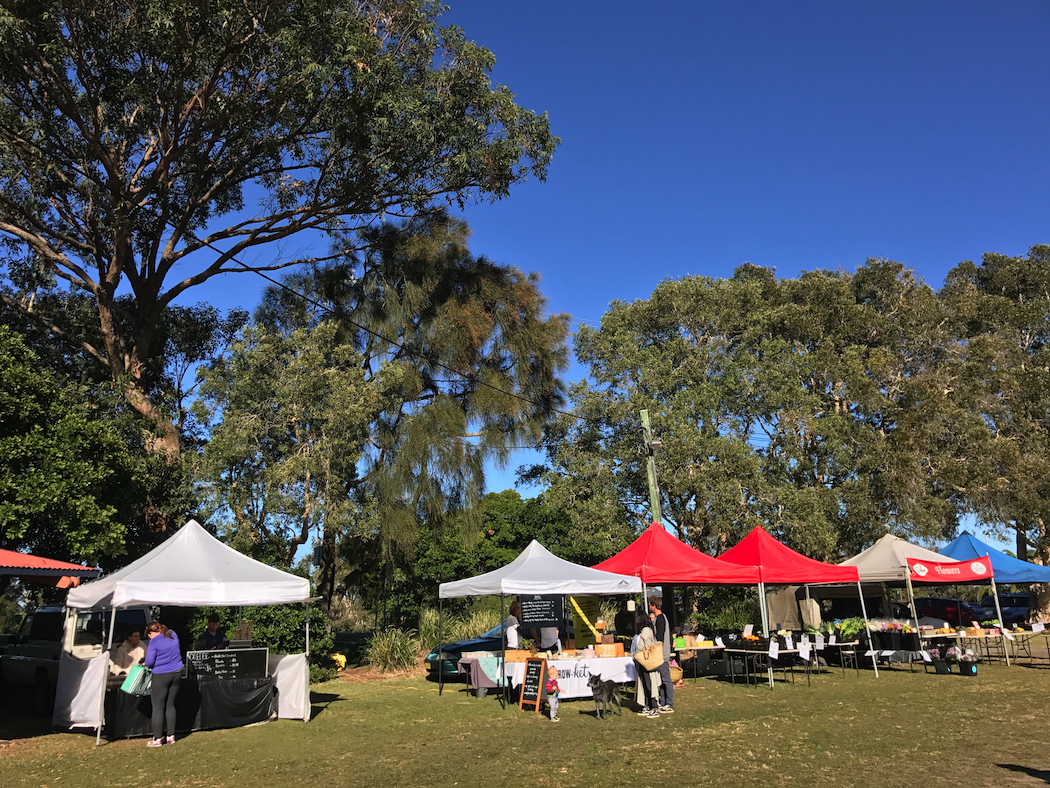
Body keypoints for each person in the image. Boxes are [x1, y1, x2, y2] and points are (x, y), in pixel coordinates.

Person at [144, 620, 184, 747]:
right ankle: (171, 736)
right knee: (170, 705)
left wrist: (145, 663)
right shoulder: (173, 634)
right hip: (177, 673)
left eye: (148, 635)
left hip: (161, 675)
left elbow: (150, 662)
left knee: (157, 707)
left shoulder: (154, 641)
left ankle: (157, 738)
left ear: (151, 632)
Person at [631, 610, 660, 718]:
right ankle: (648, 705)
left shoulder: (646, 630)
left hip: (646, 660)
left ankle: (654, 707)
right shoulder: (647, 629)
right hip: (644, 660)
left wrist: (635, 655)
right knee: (645, 683)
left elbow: (640, 645)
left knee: (649, 684)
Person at [648, 595, 674, 713]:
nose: (649, 607)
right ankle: (663, 701)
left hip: (661, 654)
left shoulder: (660, 619)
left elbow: (660, 638)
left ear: (653, 605)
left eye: (649, 605)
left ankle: (669, 703)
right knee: (662, 679)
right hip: (661, 653)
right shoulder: (662, 617)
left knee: (666, 678)